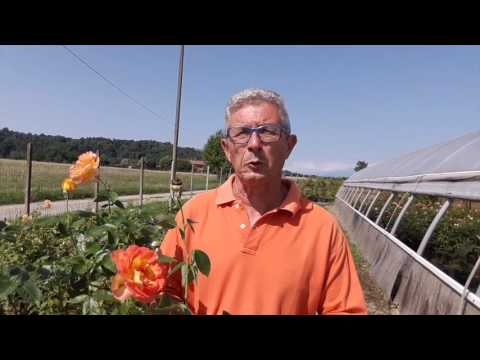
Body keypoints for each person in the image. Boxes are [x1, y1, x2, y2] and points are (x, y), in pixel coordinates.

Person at [160, 88, 368, 315]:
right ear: (227, 148)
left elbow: (344, 310)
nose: (254, 143)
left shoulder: (322, 228)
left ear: (289, 145)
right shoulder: (193, 214)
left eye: (268, 131)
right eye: (242, 133)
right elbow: (165, 292)